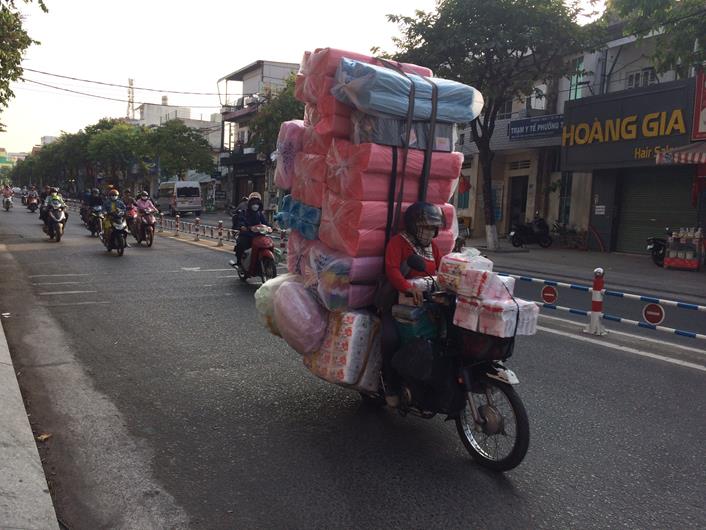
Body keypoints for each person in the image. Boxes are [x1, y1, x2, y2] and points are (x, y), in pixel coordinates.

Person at [380, 202, 445, 406]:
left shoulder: (433, 247)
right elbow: (392, 270)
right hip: (397, 304)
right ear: (413, 225)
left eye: (433, 227)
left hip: (428, 304)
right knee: (390, 339)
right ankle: (390, 384)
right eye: (425, 226)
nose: (429, 231)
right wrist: (408, 287)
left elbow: (442, 271)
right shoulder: (398, 242)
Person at [235, 192, 270, 264]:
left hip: (259, 235)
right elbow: (241, 221)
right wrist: (243, 227)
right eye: (253, 203)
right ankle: (239, 263)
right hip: (247, 235)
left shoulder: (260, 213)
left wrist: (271, 227)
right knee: (241, 244)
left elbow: (265, 222)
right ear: (250, 203)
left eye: (257, 203)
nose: (255, 205)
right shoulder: (244, 212)